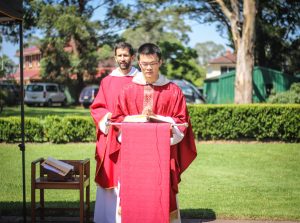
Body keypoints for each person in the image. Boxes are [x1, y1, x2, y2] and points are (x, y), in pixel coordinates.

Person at [110, 43, 197, 222]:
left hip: (162, 155)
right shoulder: (127, 90)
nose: (148, 68)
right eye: (144, 63)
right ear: (139, 63)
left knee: (161, 191)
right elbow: (117, 121)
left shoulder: (173, 91)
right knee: (134, 191)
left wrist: (158, 119)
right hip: (134, 156)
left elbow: (182, 123)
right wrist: (138, 120)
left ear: (160, 62)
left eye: (152, 63)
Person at [90, 42, 138, 223]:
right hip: (111, 136)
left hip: (134, 137)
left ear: (132, 57)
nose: (122, 59)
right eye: (119, 55)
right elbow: (97, 107)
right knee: (111, 176)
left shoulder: (141, 79)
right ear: (115, 57)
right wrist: (107, 117)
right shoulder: (107, 81)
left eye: (126, 55)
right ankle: (108, 218)